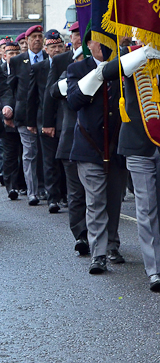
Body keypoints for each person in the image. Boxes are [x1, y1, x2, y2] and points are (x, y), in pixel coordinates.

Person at [102, 35, 160, 291]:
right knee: (146, 206)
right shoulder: (130, 54)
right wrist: (141, 54)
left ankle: (158, 252)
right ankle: (155, 269)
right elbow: (108, 72)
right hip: (138, 143)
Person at [67, 35, 127, 274]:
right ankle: (99, 253)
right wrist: (99, 74)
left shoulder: (123, 66)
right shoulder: (77, 68)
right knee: (95, 202)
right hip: (89, 147)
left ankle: (112, 244)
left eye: (109, 41)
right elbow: (74, 100)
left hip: (117, 146)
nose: (104, 46)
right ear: (88, 44)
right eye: (98, 41)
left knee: (113, 200)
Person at [48, 24, 88, 255]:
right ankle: (81, 235)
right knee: (76, 193)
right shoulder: (66, 70)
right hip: (71, 141)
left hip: (97, 143)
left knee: (97, 195)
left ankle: (105, 239)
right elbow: (52, 92)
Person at [4, 25, 47, 206]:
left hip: (46, 115)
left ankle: (48, 189)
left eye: (40, 36)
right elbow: (10, 88)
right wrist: (9, 109)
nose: (37, 39)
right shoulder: (17, 61)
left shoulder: (50, 58)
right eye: (34, 37)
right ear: (27, 41)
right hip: (24, 115)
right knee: (29, 153)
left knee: (45, 155)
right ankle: (32, 191)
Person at [29, 30, 68, 213]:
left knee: (66, 160)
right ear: (46, 49)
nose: (57, 50)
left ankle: (67, 195)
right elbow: (33, 97)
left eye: (59, 46)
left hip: (64, 120)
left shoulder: (68, 65)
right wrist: (32, 122)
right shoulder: (39, 68)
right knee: (49, 160)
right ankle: (53, 197)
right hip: (44, 120)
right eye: (53, 47)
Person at [1, 41, 24, 199]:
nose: (14, 57)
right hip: (6, 121)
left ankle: (22, 184)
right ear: (4, 55)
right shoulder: (2, 71)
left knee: (24, 153)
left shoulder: (26, 68)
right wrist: (5, 115)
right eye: (11, 54)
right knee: (9, 154)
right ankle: (11, 186)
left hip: (23, 118)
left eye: (17, 53)